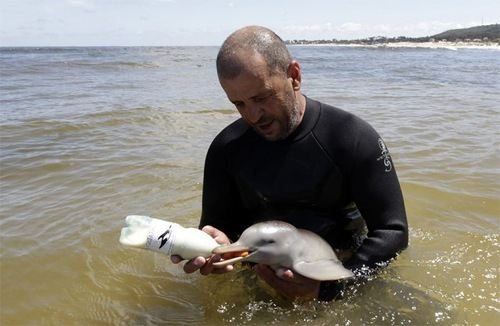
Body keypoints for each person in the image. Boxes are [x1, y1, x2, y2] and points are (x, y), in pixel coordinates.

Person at [171, 25, 408, 301]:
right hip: (259, 274)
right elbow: (217, 228)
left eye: (261, 97)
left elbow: (392, 232)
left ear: (294, 76)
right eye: (239, 104)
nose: (253, 115)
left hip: (340, 270)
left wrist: (330, 289)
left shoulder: (351, 138)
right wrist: (216, 250)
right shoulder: (226, 149)